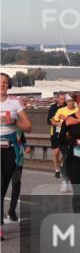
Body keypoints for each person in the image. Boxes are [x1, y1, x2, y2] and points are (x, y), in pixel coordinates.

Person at [1, 73, 32, 224]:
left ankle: (12, 210)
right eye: (0, 82)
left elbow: (28, 129)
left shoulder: (14, 105)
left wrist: (14, 122)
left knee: (14, 183)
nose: (2, 85)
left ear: (9, 85)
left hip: (13, 153)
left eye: (5, 82)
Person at [53, 95, 78, 192]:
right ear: (66, 102)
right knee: (68, 158)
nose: (70, 103)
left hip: (75, 138)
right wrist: (59, 123)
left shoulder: (78, 111)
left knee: (73, 160)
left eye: (72, 101)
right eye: (68, 101)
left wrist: (67, 120)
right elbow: (53, 121)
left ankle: (70, 179)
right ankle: (65, 181)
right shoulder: (60, 110)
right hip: (63, 138)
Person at [47, 92, 67, 179]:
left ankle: (62, 163)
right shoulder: (53, 107)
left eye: (64, 99)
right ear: (57, 99)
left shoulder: (67, 106)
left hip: (65, 134)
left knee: (66, 153)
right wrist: (57, 123)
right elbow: (49, 120)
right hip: (55, 133)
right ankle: (57, 170)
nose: (63, 100)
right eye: (62, 99)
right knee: (56, 152)